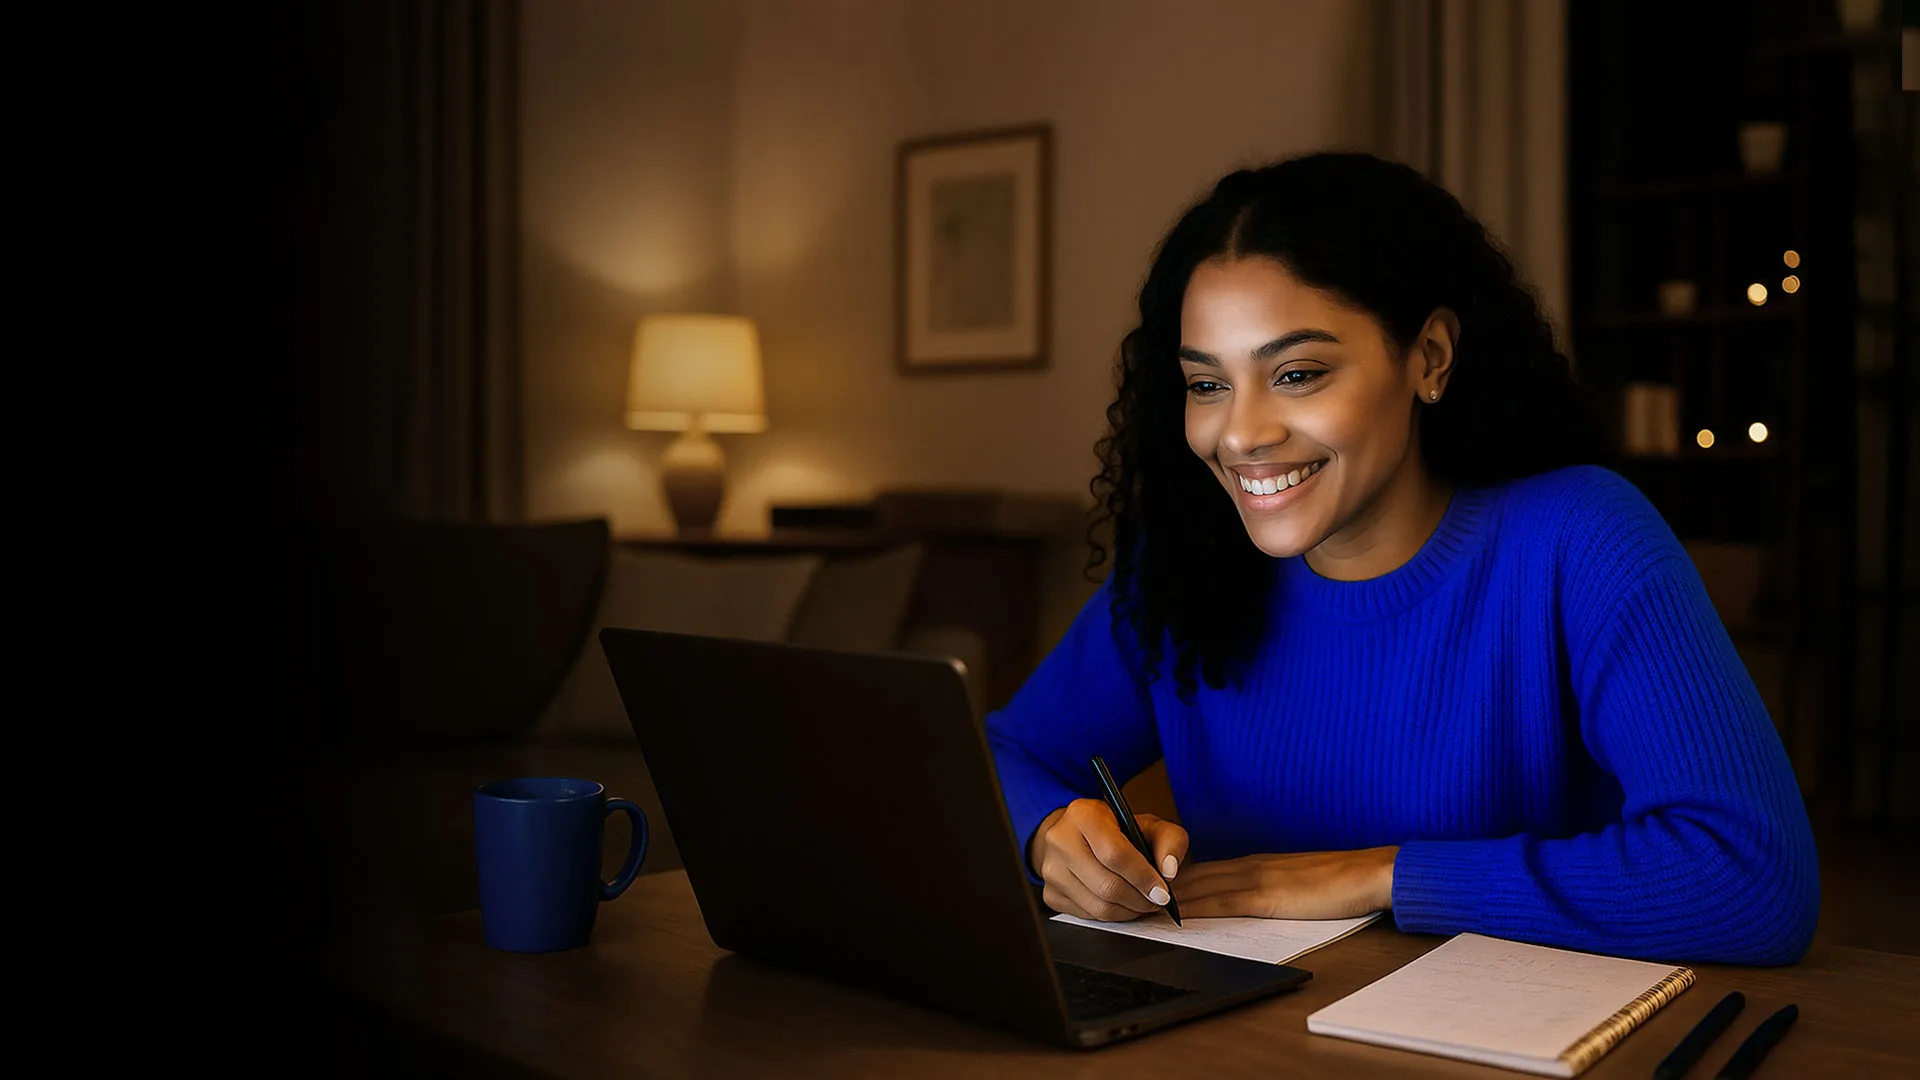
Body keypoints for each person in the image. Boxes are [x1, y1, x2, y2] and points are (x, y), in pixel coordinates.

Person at [986, 152, 1819, 966]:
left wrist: (1380, 875)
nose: (1240, 434)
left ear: (1429, 358)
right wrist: (1048, 833)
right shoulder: (1179, 566)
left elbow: (1750, 876)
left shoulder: (1581, 539)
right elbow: (1002, 754)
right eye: (1207, 385)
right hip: (1246, 1032)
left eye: (1298, 373)